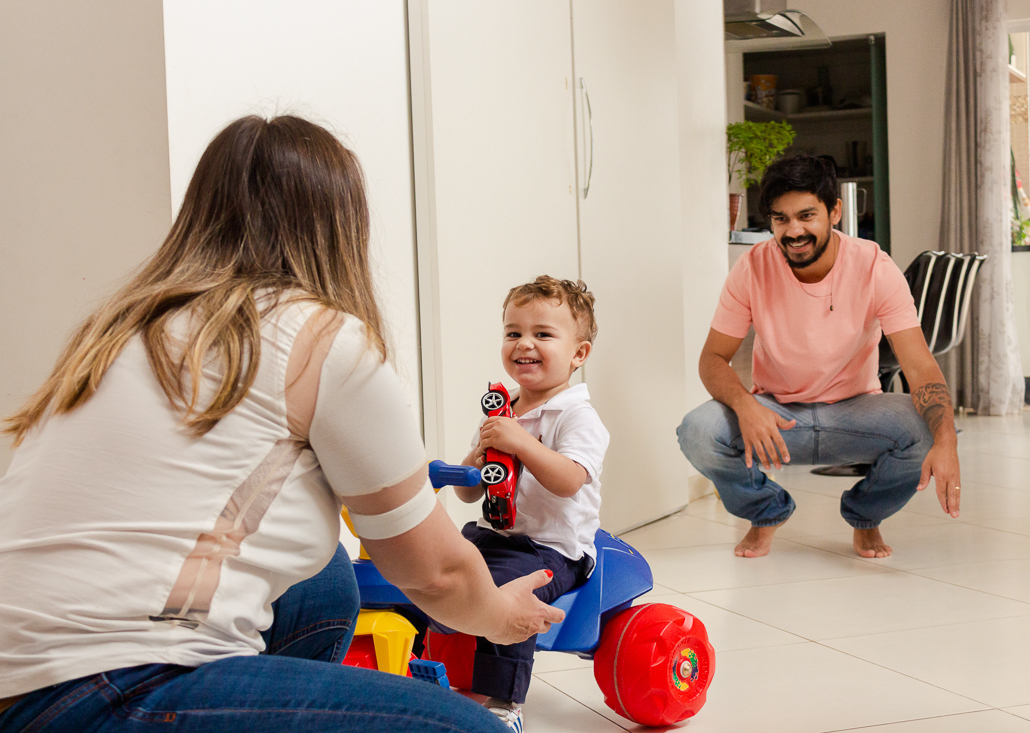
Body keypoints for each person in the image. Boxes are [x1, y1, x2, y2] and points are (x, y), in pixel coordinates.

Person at [0, 115, 564, 733]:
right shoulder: (322, 338)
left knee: (321, 585)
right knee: (470, 729)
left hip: (24, 677)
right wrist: (497, 618)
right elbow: (437, 572)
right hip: (104, 691)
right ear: (339, 227)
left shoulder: (122, 330)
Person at [677, 154, 962, 559]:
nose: (794, 231)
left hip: (855, 412)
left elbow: (919, 365)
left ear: (835, 212)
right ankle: (766, 512)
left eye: (806, 215)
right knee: (697, 431)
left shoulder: (874, 267)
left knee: (928, 427)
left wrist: (947, 440)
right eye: (780, 219)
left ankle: (866, 516)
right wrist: (745, 406)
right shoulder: (752, 268)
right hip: (775, 413)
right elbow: (713, 358)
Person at [456, 276, 610, 733]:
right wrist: (476, 458)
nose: (525, 344)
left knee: (507, 592)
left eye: (543, 334)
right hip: (493, 535)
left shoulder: (577, 416)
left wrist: (520, 442)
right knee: (441, 561)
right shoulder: (502, 411)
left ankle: (504, 704)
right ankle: (427, 666)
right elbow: (469, 493)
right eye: (513, 332)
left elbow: (568, 481)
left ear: (578, 354)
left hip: (551, 549)